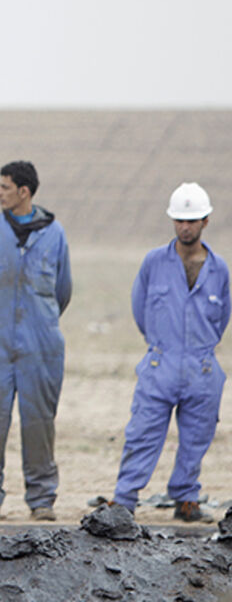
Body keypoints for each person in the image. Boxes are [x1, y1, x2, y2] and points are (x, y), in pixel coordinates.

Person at [112, 182, 228, 523]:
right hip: (161, 362)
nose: (184, 227)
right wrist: (161, 346)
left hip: (201, 368)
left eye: (191, 221)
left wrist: (199, 350)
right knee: (143, 432)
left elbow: (222, 318)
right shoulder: (154, 263)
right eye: (179, 220)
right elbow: (139, 308)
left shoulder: (219, 269)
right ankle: (124, 500)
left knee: (197, 436)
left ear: (205, 221)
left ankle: (187, 498)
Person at [0, 161, 72, 521]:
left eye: (5, 187)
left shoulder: (54, 234)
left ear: (24, 192)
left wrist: (37, 324)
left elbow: (63, 290)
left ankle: (42, 499)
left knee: (40, 422)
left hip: (41, 347)